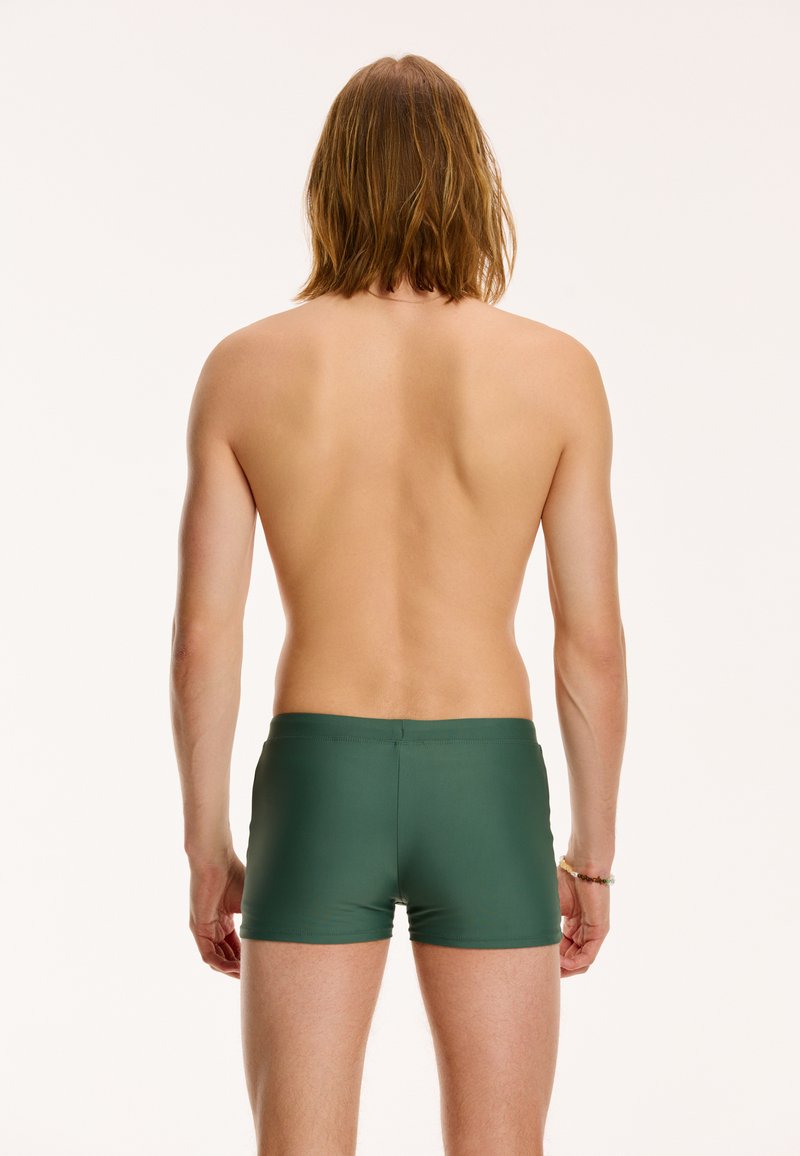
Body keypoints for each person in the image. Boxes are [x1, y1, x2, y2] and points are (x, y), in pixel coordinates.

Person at [170, 53, 627, 1156]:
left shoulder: (246, 367)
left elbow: (204, 638)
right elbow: (590, 645)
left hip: (317, 780)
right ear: (473, 183)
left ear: (331, 185)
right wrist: (592, 857)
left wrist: (207, 847)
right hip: (487, 781)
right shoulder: (555, 371)